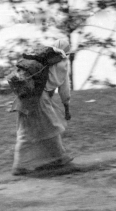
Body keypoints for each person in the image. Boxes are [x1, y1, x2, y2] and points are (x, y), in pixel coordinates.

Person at [11, 39, 73, 175]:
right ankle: (22, 165)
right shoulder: (62, 63)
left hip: (26, 95)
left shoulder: (43, 59)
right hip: (40, 97)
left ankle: (55, 158)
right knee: (51, 126)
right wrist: (67, 108)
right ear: (67, 52)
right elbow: (64, 91)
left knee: (27, 128)